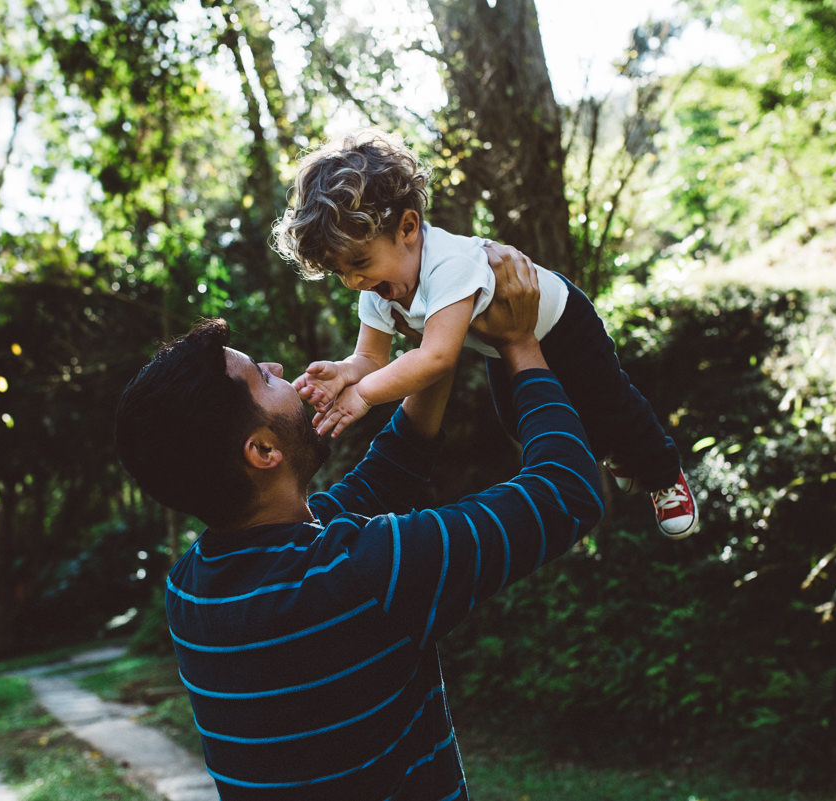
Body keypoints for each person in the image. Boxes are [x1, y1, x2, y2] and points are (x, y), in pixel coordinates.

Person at [113, 248, 604, 800]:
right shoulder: (364, 573)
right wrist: (520, 344)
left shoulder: (191, 591)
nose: (279, 369)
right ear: (263, 449)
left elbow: (392, 470)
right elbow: (569, 492)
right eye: (261, 377)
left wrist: (431, 344)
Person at [271, 129, 697, 539]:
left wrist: (363, 395)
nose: (352, 281)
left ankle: (663, 474)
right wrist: (347, 372)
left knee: (610, 401)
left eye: (359, 262)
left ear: (407, 227)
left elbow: (437, 358)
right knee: (517, 421)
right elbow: (371, 359)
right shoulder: (379, 287)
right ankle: (615, 449)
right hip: (499, 345)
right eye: (341, 271)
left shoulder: (449, 265)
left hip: (563, 324)